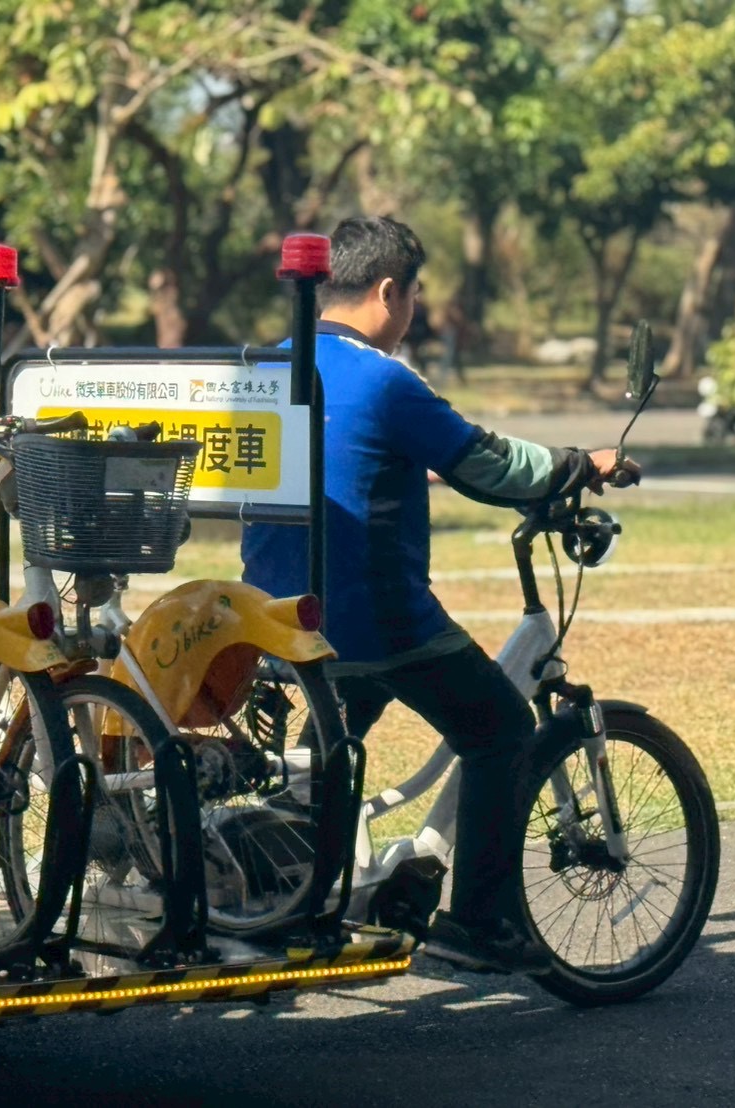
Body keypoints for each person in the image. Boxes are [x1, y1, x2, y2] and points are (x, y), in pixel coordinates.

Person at [241, 216, 639, 974]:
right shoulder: (385, 378)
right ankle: (478, 925)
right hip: (375, 618)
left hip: (278, 615)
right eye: (414, 295)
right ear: (388, 291)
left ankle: (292, 877)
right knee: (496, 730)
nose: (413, 310)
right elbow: (486, 463)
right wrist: (580, 464)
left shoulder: (270, 366)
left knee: (334, 733)